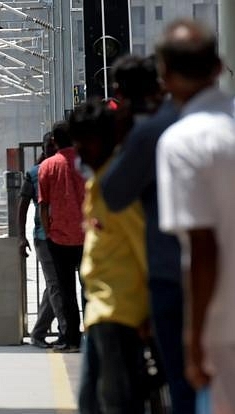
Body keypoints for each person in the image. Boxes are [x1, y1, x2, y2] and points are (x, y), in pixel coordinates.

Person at [101, 54, 196, 412]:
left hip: (166, 272)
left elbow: (113, 193)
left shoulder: (148, 131)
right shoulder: (202, 119)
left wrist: (123, 138)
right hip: (214, 267)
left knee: (177, 377)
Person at [156, 19, 235, 412]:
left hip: (225, 330)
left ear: (165, 77)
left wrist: (193, 338)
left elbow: (203, 248)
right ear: (219, 67)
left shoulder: (182, 143)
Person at [70, 99, 149, 414]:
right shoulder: (100, 182)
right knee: (91, 402)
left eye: (85, 142)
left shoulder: (118, 186)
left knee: (114, 403)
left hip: (121, 311)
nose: (80, 151)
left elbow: (144, 247)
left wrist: (151, 311)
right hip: (101, 310)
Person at [38, 120, 85, 353]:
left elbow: (43, 205)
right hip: (88, 237)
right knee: (90, 289)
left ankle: (71, 339)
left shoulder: (47, 166)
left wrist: (48, 232)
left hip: (58, 239)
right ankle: (93, 337)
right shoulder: (86, 162)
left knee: (66, 292)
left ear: (54, 141)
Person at [17, 132, 61, 349]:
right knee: (56, 285)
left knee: (55, 286)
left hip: (62, 236)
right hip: (44, 237)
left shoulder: (63, 169)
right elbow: (22, 207)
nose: (52, 149)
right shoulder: (34, 174)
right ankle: (65, 330)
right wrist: (21, 237)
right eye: (49, 146)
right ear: (44, 148)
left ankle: (39, 331)